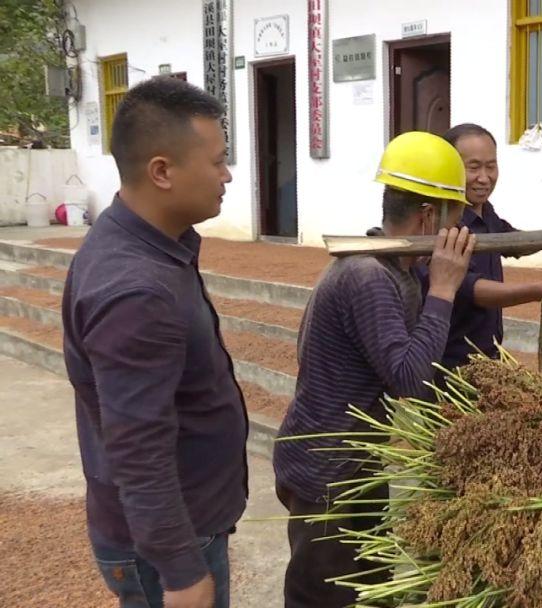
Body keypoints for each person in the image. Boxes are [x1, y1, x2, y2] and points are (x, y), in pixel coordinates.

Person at [273, 131, 475, 607]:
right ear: (429, 216)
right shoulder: (367, 276)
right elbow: (408, 378)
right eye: (455, 219)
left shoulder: (392, 268)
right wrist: (444, 289)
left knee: (369, 592)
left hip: (353, 466)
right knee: (328, 597)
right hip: (327, 474)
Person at [63, 77, 244, 608]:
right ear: (162, 171)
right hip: (167, 544)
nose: (227, 174)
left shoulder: (149, 248)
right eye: (217, 161)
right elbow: (137, 447)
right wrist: (181, 571)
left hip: (181, 526)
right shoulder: (136, 289)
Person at [425, 123, 542, 371]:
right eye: (473, 167)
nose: (484, 177)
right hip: (450, 365)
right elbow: (471, 288)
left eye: (491, 166)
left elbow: (510, 240)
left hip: (488, 359)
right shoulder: (444, 223)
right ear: (449, 170)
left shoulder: (486, 211)